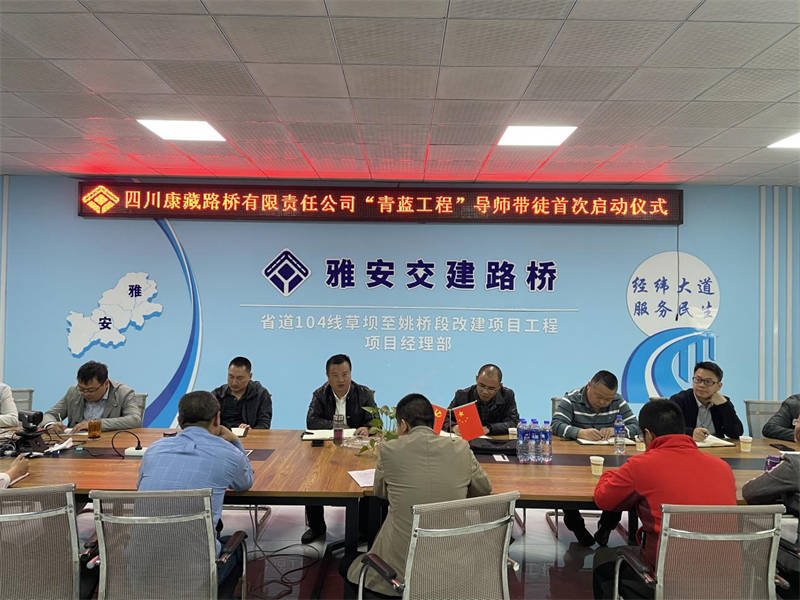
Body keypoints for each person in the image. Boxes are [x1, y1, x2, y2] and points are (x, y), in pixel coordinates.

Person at [343, 393, 492, 596]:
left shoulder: (390, 450)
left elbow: (380, 492)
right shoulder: (461, 448)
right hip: (455, 570)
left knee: (346, 564)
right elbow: (484, 489)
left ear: (403, 425)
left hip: (399, 575)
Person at [591, 399, 737, 599]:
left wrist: (608, 474)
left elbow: (605, 500)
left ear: (648, 434)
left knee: (602, 559)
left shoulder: (641, 465)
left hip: (668, 577)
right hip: (727, 577)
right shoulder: (722, 467)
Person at [138, 390, 253, 598]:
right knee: (235, 544)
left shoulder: (154, 450)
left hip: (141, 566)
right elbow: (245, 483)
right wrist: (235, 441)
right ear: (217, 419)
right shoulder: (227, 452)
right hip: (195, 569)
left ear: (179, 420)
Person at [551, 370, 641, 546]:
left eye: (607, 399)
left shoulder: (617, 401)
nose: (603, 402)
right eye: (599, 397)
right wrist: (580, 432)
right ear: (589, 386)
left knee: (618, 487)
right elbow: (556, 425)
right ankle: (577, 528)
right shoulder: (572, 399)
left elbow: (635, 426)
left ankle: (606, 528)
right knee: (567, 489)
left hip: (608, 460)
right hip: (575, 462)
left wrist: (616, 430)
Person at [302, 353, 377, 544]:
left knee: (367, 482)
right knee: (313, 477)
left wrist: (366, 428)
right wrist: (337, 427)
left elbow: (376, 422)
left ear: (351, 373)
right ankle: (316, 527)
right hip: (328, 449)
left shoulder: (364, 394)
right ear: (328, 376)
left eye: (345, 374)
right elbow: (311, 421)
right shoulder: (320, 394)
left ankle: (363, 530)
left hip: (356, 449)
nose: (341, 380)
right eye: (335, 375)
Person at [43, 361, 141, 433]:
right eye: (81, 389)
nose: (85, 394)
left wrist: (95, 424)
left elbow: (134, 420)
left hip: (108, 445)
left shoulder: (123, 393)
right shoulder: (73, 392)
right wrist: (50, 425)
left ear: (105, 383)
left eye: (91, 390)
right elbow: (50, 415)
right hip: (75, 444)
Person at [669, 361, 743, 440]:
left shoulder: (722, 402)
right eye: (698, 380)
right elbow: (668, 428)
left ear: (719, 386)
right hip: (687, 445)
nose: (701, 385)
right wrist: (691, 433)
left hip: (717, 447)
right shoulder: (679, 400)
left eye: (708, 381)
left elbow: (736, 433)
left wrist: (724, 405)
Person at [446, 363, 519, 435]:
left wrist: (489, 428)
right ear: (476, 379)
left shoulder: (507, 395)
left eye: (491, 388)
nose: (485, 392)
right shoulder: (462, 395)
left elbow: (513, 422)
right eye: (482, 385)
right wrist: (453, 427)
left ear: (499, 386)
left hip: (495, 440)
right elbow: (444, 418)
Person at [212, 356, 272, 430]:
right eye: (231, 377)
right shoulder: (217, 395)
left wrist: (252, 432)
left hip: (249, 436)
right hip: (221, 435)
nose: (234, 382)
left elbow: (264, 424)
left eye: (239, 378)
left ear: (250, 376)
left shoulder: (261, 394)